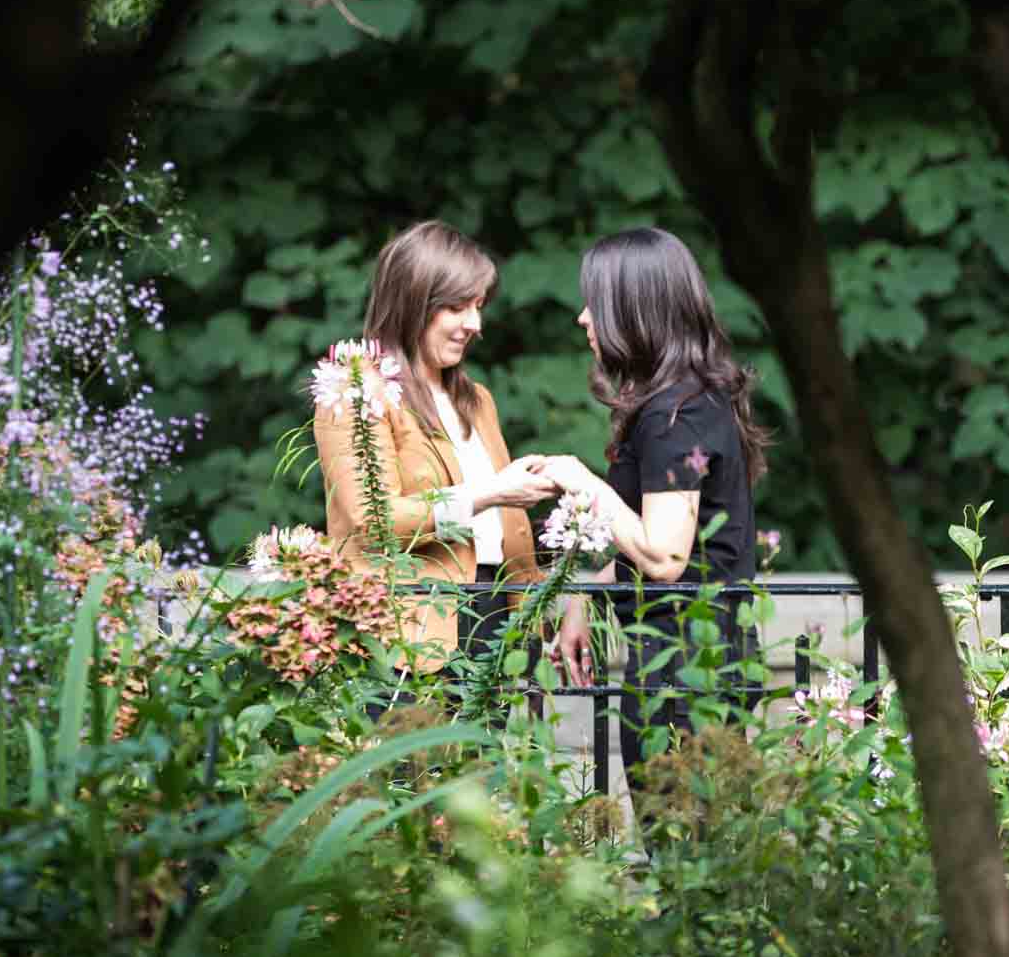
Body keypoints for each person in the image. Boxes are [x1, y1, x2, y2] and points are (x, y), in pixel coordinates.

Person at [544, 227, 770, 813]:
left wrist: (581, 481)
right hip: (692, 661)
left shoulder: (679, 413)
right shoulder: (684, 401)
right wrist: (587, 598)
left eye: (594, 302)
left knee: (689, 863)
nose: (582, 318)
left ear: (632, 308)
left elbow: (667, 557)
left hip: (684, 672)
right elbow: (685, 552)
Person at [314, 221, 558, 705]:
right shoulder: (358, 391)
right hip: (409, 631)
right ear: (412, 302)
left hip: (495, 615)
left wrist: (538, 617)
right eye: (456, 306)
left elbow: (507, 530)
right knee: (413, 778)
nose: (475, 324)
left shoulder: (476, 399)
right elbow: (375, 521)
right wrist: (491, 492)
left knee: (483, 777)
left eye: (479, 306)